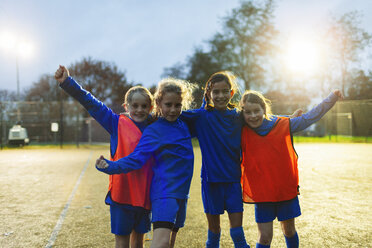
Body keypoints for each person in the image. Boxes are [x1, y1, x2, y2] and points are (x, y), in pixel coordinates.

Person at [54, 65, 154, 248]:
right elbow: (91, 103)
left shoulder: (155, 127)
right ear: (126, 106)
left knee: (139, 241)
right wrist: (68, 83)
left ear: (151, 107)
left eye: (144, 106)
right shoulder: (116, 123)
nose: (139, 110)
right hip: (121, 195)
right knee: (122, 241)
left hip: (145, 195)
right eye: (135, 105)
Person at [95, 78, 195, 248]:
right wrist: (110, 166)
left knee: (169, 243)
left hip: (182, 195)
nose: (172, 109)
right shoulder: (154, 130)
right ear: (158, 104)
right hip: (163, 193)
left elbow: (210, 115)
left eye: (177, 105)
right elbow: (136, 159)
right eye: (168, 104)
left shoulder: (184, 124)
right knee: (161, 243)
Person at [239, 89, 343, 248]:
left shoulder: (284, 125)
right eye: (248, 112)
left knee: (288, 230)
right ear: (242, 113)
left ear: (264, 110)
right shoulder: (241, 131)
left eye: (256, 111)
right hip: (261, 194)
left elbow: (310, 117)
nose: (252, 116)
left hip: (284, 191)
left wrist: (332, 98)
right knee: (265, 237)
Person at [181, 71, 250, 248]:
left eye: (225, 91)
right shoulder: (200, 117)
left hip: (234, 182)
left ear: (231, 93)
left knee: (238, 234)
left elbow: (263, 119)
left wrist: (289, 119)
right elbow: (169, 114)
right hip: (210, 183)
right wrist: (139, 118)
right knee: (214, 232)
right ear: (209, 94)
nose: (220, 96)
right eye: (216, 92)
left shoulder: (239, 117)